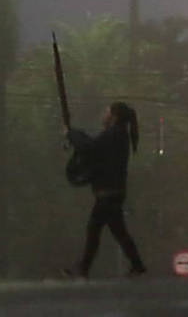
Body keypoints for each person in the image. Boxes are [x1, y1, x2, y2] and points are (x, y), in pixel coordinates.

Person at [62, 101, 147, 279]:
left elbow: (89, 148)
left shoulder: (114, 135)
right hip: (112, 192)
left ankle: (83, 268)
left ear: (113, 116)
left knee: (95, 230)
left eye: (106, 111)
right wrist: (74, 134)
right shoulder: (117, 135)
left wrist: (71, 133)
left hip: (108, 193)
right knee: (115, 231)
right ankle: (136, 265)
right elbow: (92, 145)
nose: (104, 114)